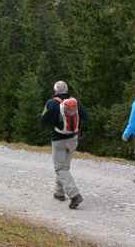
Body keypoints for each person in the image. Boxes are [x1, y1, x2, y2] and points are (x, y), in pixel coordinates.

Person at [42, 81, 87, 209]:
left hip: (58, 139)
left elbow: (43, 120)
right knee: (64, 167)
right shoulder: (75, 102)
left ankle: (74, 195)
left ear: (55, 91)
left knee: (60, 168)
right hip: (73, 139)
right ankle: (59, 192)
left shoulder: (52, 103)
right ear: (67, 90)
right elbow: (86, 116)